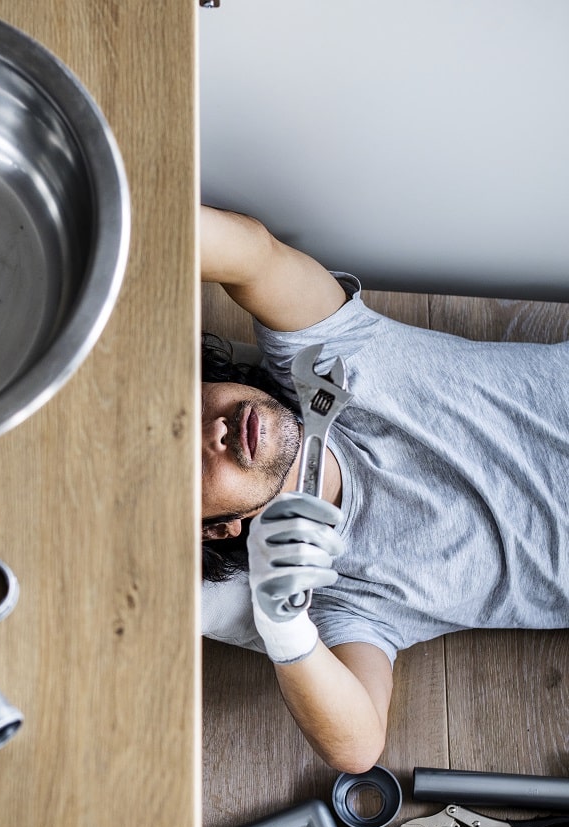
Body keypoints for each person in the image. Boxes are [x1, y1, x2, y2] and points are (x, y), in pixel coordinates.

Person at [199, 204, 569, 773]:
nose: (213, 432)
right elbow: (358, 746)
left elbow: (251, 255)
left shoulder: (324, 352)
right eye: (189, 466)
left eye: (183, 411)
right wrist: (284, 622)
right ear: (221, 527)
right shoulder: (344, 594)